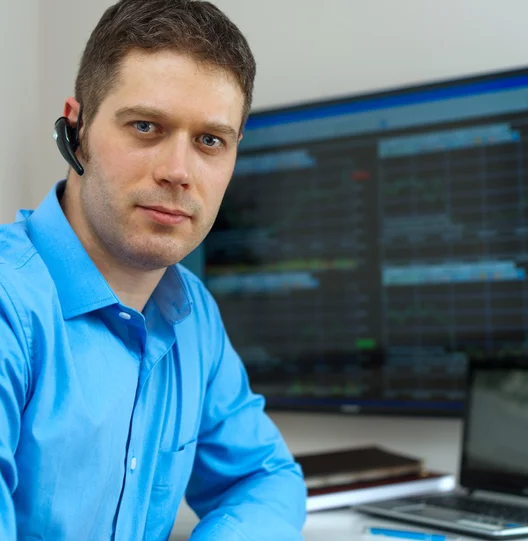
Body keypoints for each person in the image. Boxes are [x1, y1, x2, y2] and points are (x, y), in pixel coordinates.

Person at [0, 1, 307, 539]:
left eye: (210, 141)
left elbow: (264, 480)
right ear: (77, 131)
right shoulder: (11, 306)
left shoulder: (193, 316)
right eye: (145, 126)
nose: (178, 172)